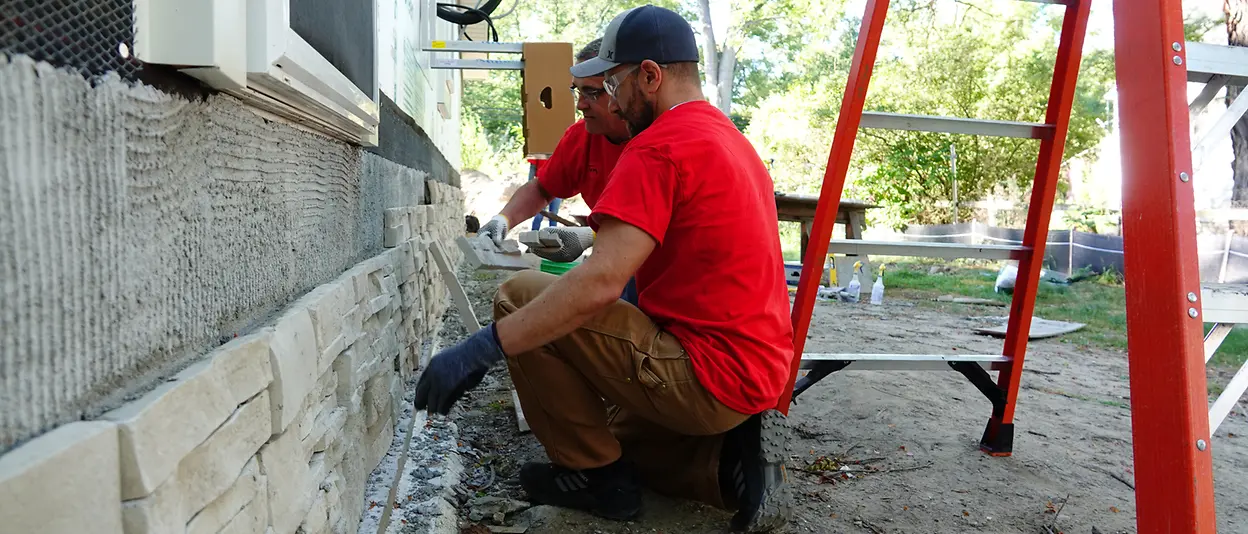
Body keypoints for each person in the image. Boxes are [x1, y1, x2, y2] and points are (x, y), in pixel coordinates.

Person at [414, 5, 794, 533]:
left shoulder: (657, 147)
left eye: (610, 85)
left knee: (519, 298)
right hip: (757, 372)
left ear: (650, 75)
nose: (604, 101)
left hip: (705, 371)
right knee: (613, 428)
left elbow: (599, 282)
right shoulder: (729, 138)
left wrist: (482, 348)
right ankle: (723, 464)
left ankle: (598, 480)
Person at [477, 38, 632, 264]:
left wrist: (593, 236)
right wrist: (502, 219)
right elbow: (542, 188)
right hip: (620, 263)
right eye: (577, 91)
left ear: (622, 89)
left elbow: (659, 224)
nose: (580, 105)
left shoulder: (660, 140)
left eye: (591, 92)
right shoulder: (583, 136)